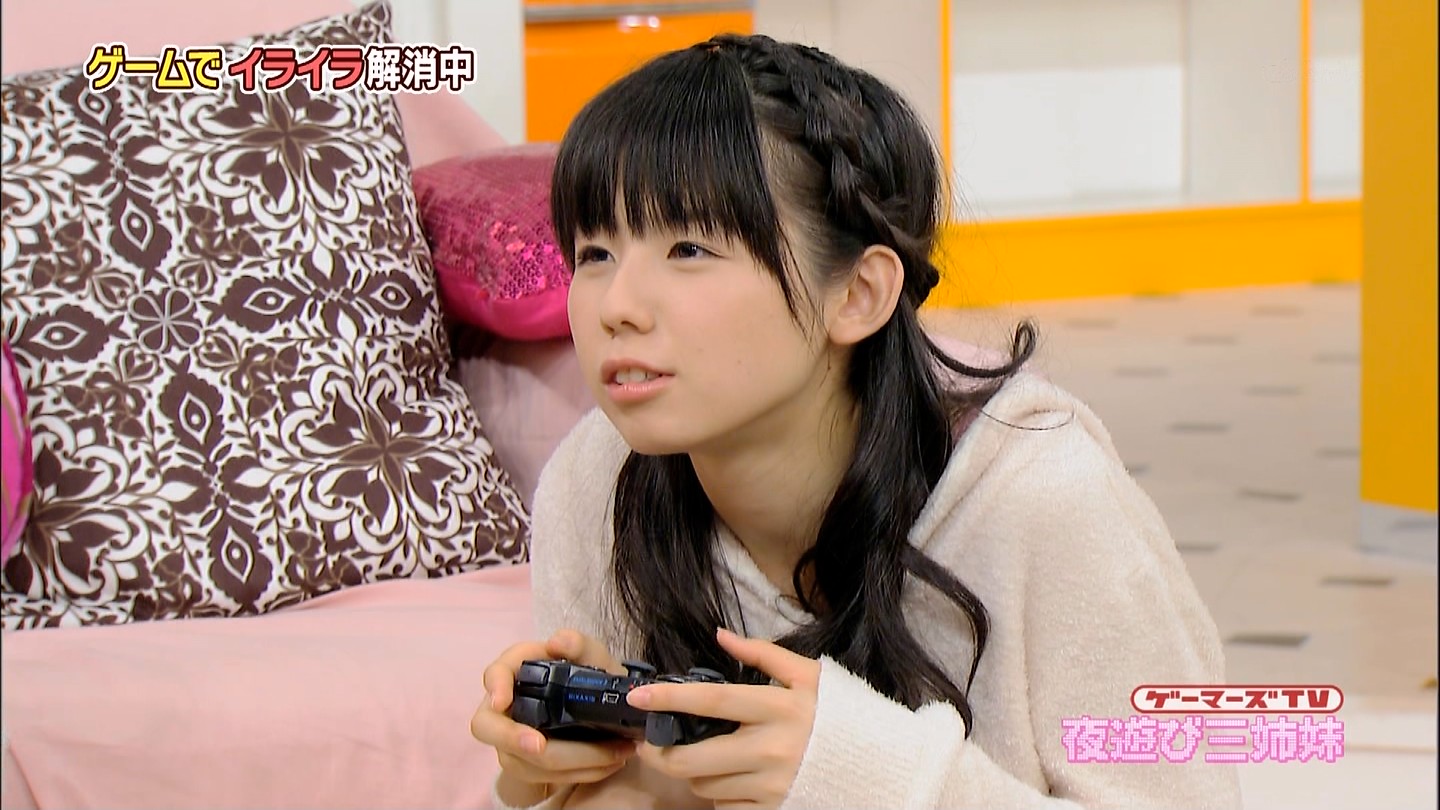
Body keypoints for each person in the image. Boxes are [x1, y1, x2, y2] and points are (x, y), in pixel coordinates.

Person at [469, 32, 1242, 810]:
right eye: (595, 253)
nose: (617, 306)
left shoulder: (1043, 499)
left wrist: (867, 774)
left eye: (689, 248)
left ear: (859, 294)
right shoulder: (599, 477)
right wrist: (564, 776)